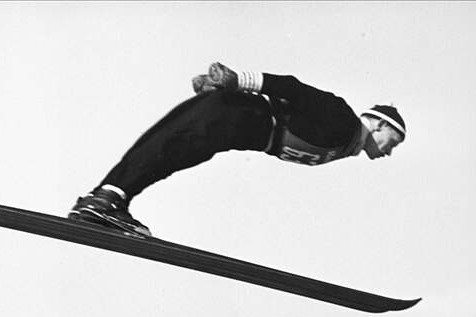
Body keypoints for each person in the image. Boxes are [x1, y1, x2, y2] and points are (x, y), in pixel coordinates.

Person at [69, 62, 405, 237]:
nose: (390, 153)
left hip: (231, 125)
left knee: (164, 157)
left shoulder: (344, 144)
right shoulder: (344, 120)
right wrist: (236, 80)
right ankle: (105, 202)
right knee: (162, 151)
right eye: (395, 141)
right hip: (233, 114)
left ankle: (105, 204)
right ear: (379, 125)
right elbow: (294, 88)